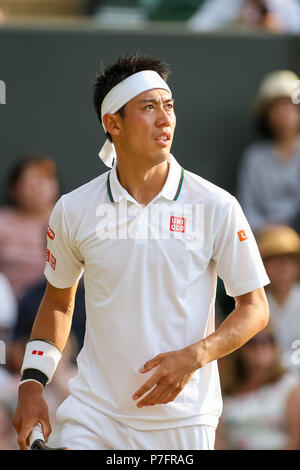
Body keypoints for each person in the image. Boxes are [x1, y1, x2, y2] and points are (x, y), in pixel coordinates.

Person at [12, 54, 270, 451]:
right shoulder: (73, 209)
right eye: (148, 107)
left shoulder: (218, 206)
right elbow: (59, 304)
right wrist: (32, 384)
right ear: (112, 124)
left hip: (185, 421)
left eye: (168, 105)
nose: (165, 118)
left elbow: (254, 308)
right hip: (93, 416)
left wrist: (195, 356)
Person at [215, 325, 300, 449]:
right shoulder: (225, 390)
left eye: (269, 339)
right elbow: (217, 440)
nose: (262, 346)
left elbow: (296, 440)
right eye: (253, 341)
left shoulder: (290, 387)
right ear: (239, 347)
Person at [237, 70, 300, 235]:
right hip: (264, 241)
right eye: (276, 108)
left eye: (289, 106)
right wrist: (266, 229)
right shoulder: (254, 157)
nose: (284, 114)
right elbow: (246, 208)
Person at [0, 156, 60, 299]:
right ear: (14, 188)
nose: (39, 187)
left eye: (45, 180)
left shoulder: (69, 220)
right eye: (31, 181)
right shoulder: (3, 222)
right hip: (13, 307)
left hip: (63, 304)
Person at [257, 225, 300, 375]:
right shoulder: (256, 305)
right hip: (268, 382)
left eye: (289, 260)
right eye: (276, 261)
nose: (284, 267)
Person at [188, 0, 300, 34]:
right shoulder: (223, 3)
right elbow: (194, 30)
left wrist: (279, 31)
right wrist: (232, 26)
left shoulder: (286, 5)